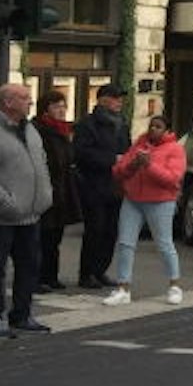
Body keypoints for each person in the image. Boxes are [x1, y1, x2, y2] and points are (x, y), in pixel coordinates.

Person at [0, 83, 53, 337]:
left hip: (31, 214)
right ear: (8, 102)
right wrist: (6, 203)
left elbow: (41, 163)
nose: (31, 102)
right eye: (25, 98)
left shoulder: (30, 130)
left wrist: (46, 195)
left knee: (29, 266)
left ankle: (22, 315)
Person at [101, 115, 187, 306]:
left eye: (158, 126)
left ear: (167, 130)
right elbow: (118, 171)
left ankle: (174, 285)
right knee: (125, 243)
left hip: (160, 201)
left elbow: (172, 179)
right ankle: (123, 287)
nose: (153, 129)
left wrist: (149, 165)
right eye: (151, 126)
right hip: (133, 199)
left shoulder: (174, 149)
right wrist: (133, 165)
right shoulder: (140, 144)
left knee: (164, 244)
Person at [72, 82, 131, 289]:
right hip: (94, 185)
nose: (119, 102)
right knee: (95, 229)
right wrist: (111, 159)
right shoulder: (88, 124)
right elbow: (81, 153)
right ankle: (87, 273)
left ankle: (100, 270)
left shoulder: (122, 124)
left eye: (120, 98)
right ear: (103, 100)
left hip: (115, 185)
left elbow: (127, 149)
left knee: (111, 231)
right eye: (115, 98)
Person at [31, 89, 83, 294]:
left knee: (55, 238)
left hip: (62, 191)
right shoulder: (38, 130)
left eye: (63, 106)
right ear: (45, 109)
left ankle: (51, 276)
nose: (61, 110)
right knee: (42, 237)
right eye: (56, 107)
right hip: (46, 190)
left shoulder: (63, 130)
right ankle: (38, 277)